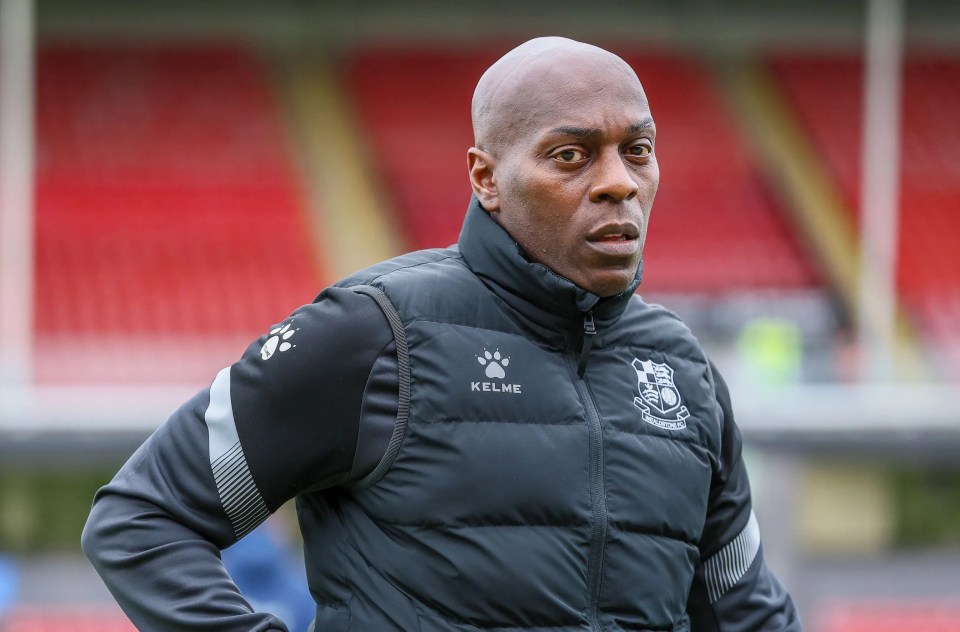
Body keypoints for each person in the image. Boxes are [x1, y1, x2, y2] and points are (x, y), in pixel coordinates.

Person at [82, 37, 801, 631]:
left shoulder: (681, 372)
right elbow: (145, 519)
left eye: (636, 150)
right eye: (571, 156)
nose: (619, 182)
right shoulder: (372, 335)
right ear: (486, 178)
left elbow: (743, 611)